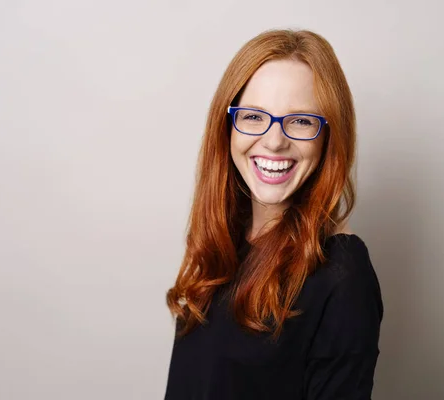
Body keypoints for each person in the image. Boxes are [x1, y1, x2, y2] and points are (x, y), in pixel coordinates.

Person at [164, 29, 384, 400]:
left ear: (329, 136)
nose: (274, 140)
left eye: (300, 121)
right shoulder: (222, 242)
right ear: (228, 126)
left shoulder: (342, 272)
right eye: (253, 116)